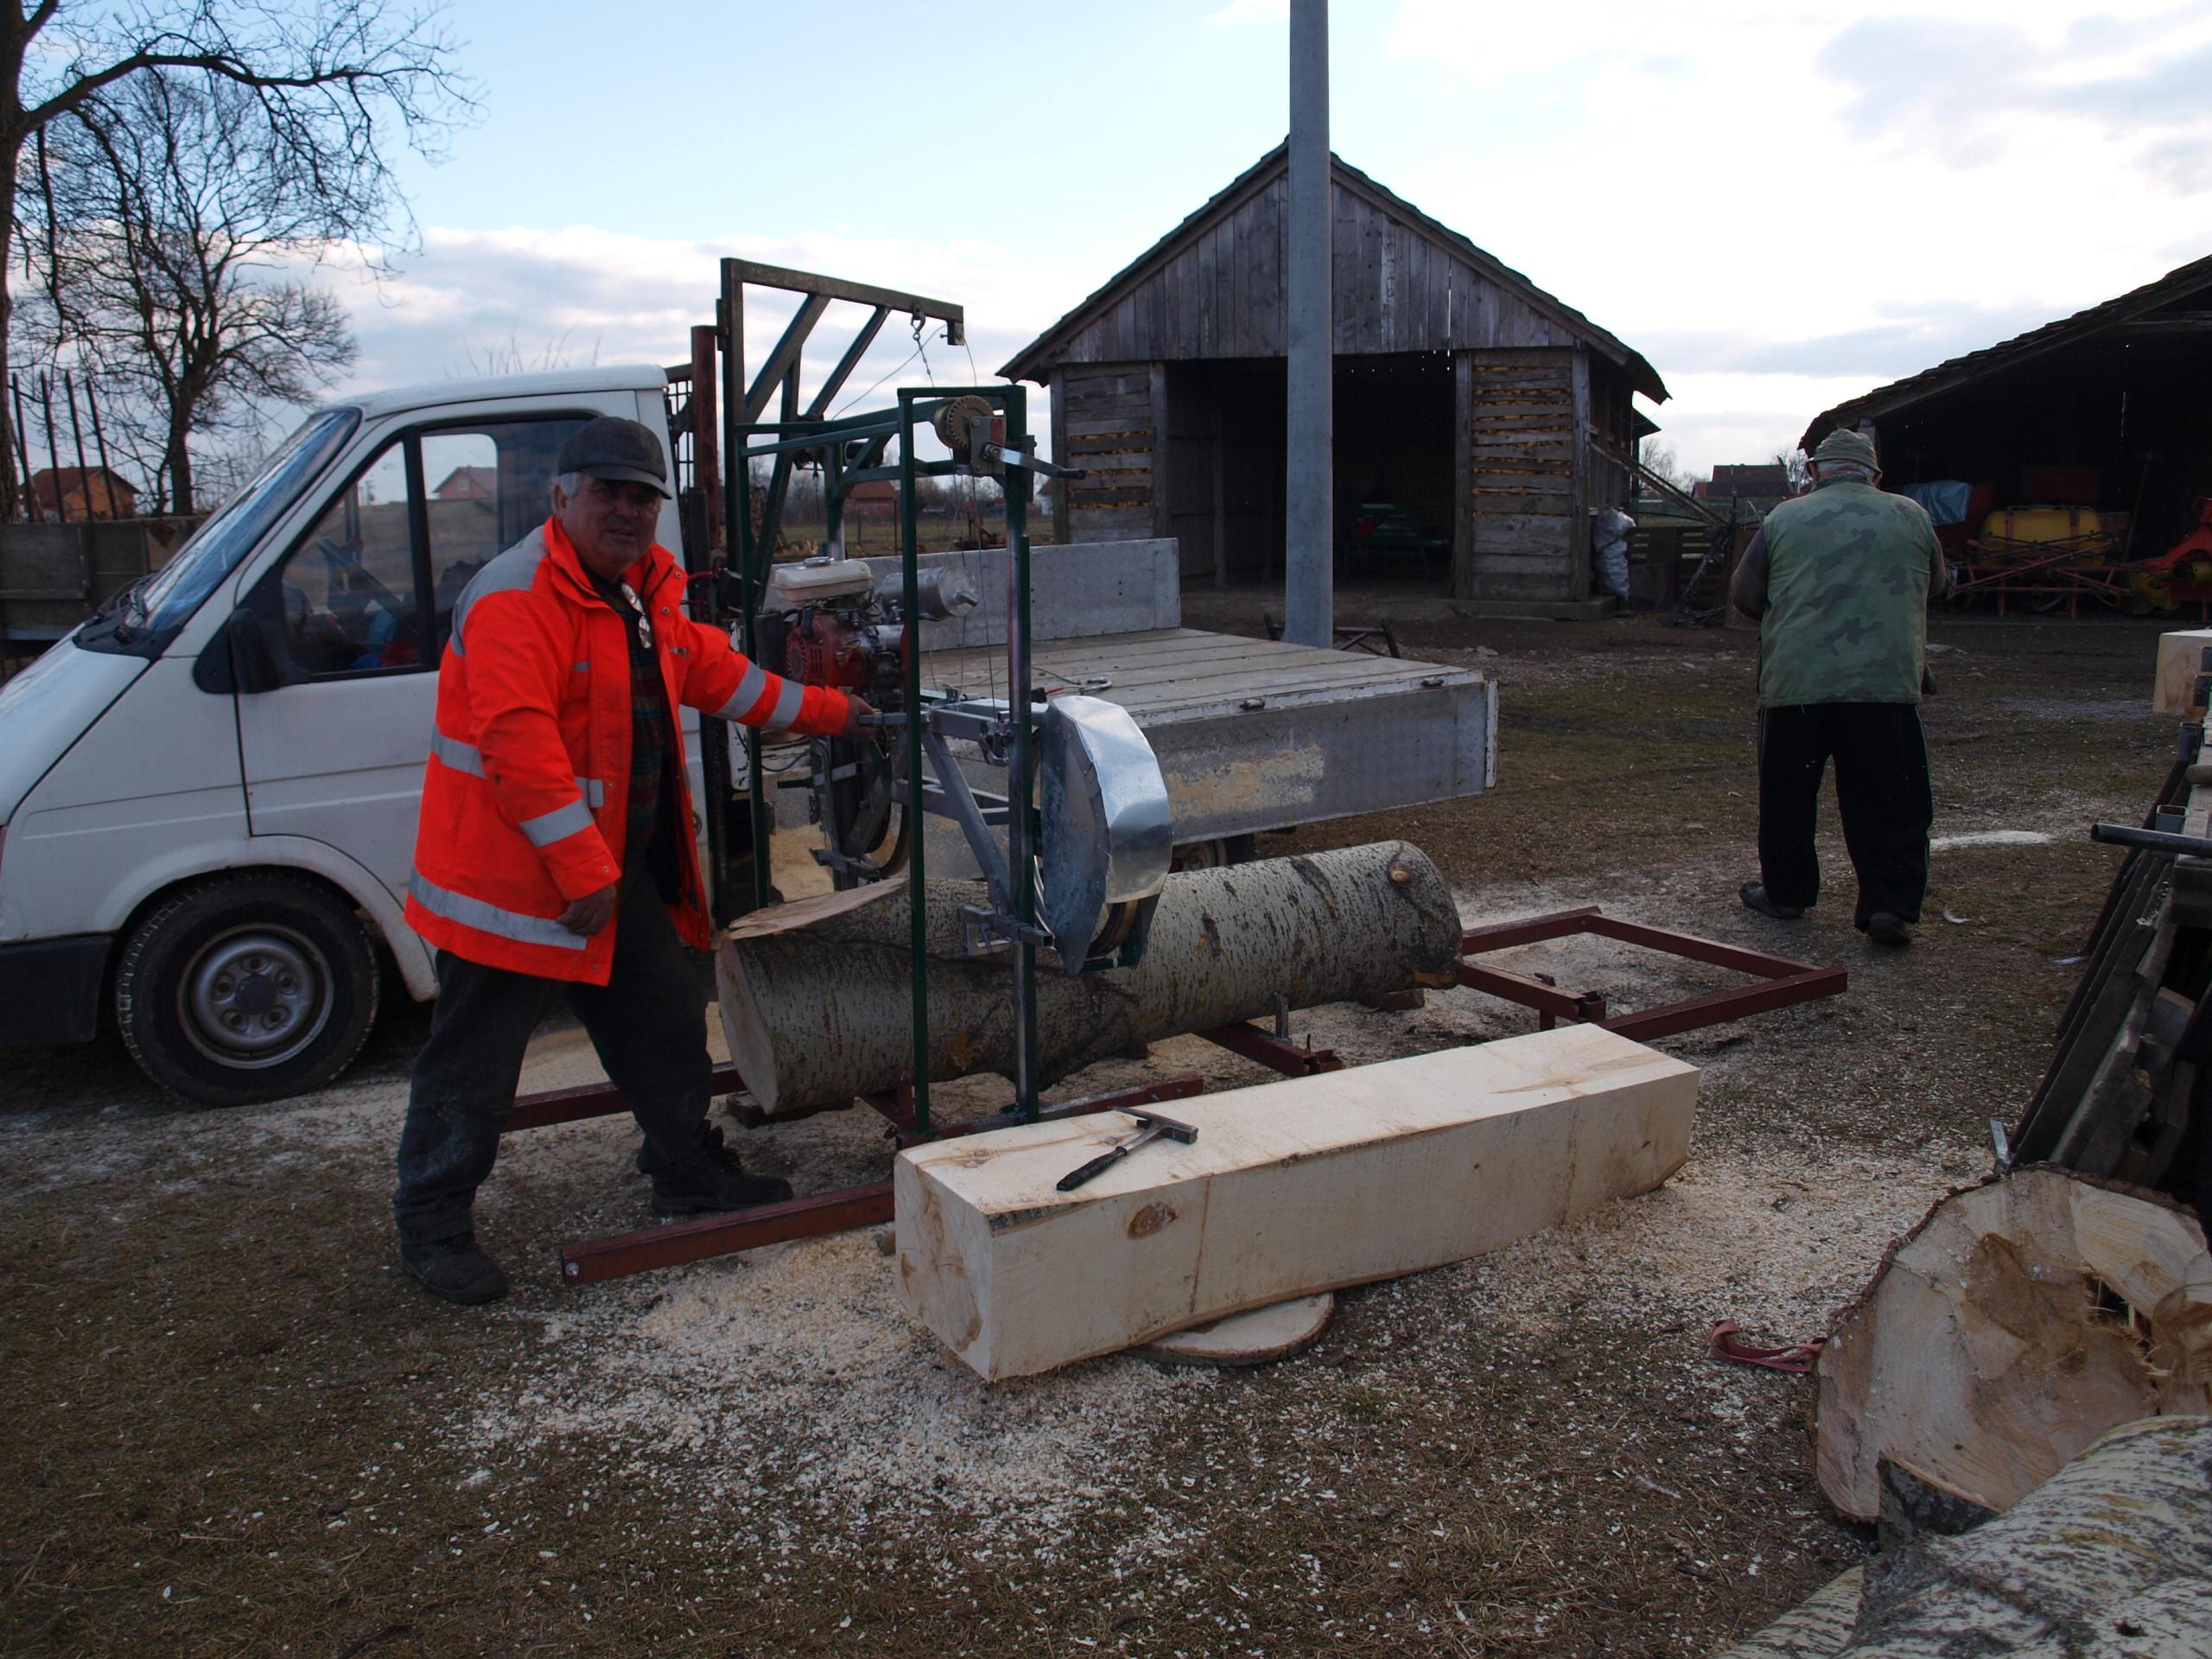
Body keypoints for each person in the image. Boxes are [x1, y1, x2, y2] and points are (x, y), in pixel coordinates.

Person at [392, 416, 873, 1304]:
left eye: (641, 497)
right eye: (608, 492)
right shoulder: (516, 596)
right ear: (561, 498)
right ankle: (431, 1222)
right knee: (474, 1066)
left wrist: (845, 714)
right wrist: (582, 875)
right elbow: (518, 743)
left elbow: (722, 679)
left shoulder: (645, 592)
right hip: (516, 888)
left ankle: (686, 1170)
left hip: (613, 877)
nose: (626, 510)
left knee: (663, 1024)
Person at [1728, 428, 1953, 950]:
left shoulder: (1784, 517)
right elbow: (1936, 585)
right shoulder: (1912, 516)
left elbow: (1744, 594)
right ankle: (1889, 907)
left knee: (1788, 795)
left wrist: (1792, 620)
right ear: (1875, 475)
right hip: (1883, 685)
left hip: (1796, 684)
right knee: (1890, 800)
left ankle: (1785, 894)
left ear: (1814, 473)